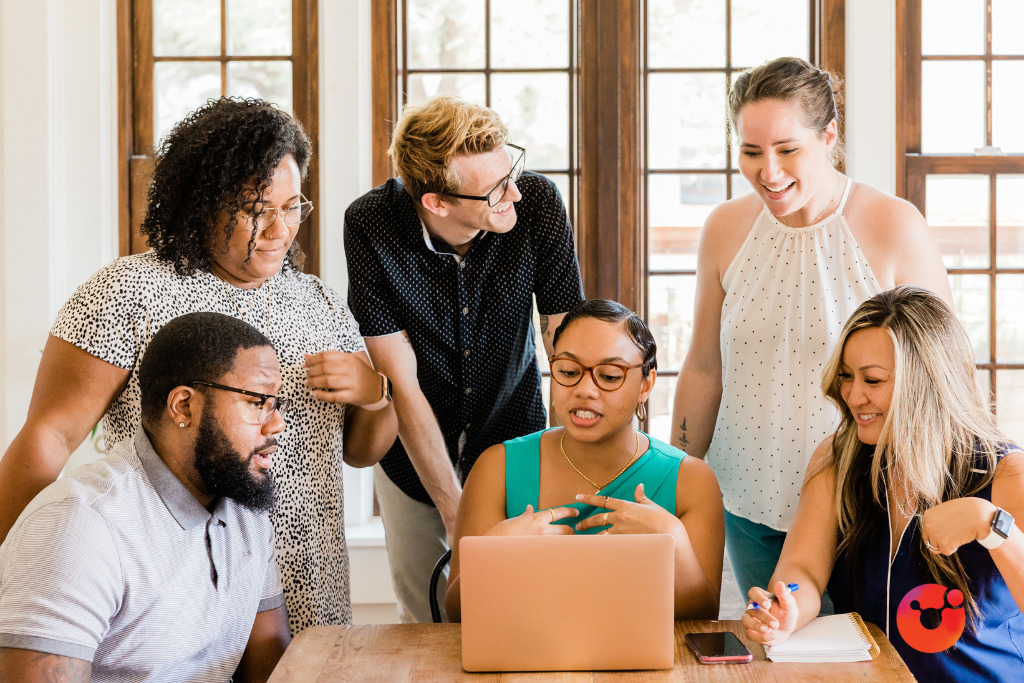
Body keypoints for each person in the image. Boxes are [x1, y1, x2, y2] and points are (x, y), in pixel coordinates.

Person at [0, 97, 397, 632]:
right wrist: (10, 570)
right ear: (203, 203)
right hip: (180, 589)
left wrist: (375, 393)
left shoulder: (318, 302)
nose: (282, 229)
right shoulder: (128, 290)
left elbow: (361, 451)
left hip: (312, 583)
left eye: (293, 206)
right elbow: (49, 435)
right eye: (259, 211)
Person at [670, 56, 953, 604]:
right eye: (750, 152)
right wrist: (677, 476)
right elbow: (705, 365)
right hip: (748, 502)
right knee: (779, 651)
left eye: (787, 149)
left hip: (866, 503)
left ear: (829, 136)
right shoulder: (725, 228)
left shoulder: (894, 226)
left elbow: (942, 374)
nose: (768, 172)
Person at [344, 96, 584, 623]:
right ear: (437, 202)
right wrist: (456, 513)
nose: (513, 193)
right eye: (495, 189)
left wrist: (578, 471)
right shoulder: (370, 224)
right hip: (411, 454)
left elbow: (567, 349)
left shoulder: (537, 203)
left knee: (520, 610)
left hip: (513, 434)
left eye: (511, 172)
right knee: (427, 615)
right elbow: (398, 380)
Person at [742, 286, 1024, 680]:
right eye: (846, 377)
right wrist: (786, 607)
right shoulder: (837, 458)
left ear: (927, 382)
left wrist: (990, 524)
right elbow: (802, 568)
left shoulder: (1005, 473)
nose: (852, 395)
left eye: (872, 380)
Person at [0, 313, 292, 682]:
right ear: (184, 406)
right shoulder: (79, 525)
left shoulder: (245, 515)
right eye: (256, 401)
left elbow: (272, 671)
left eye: (275, 403)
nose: (277, 423)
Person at [445, 299, 724, 622]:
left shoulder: (692, 481)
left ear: (645, 384)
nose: (585, 390)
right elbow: (456, 614)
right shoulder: (497, 468)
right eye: (568, 371)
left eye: (608, 376)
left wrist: (673, 543)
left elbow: (703, 619)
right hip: (525, 663)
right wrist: (495, 556)